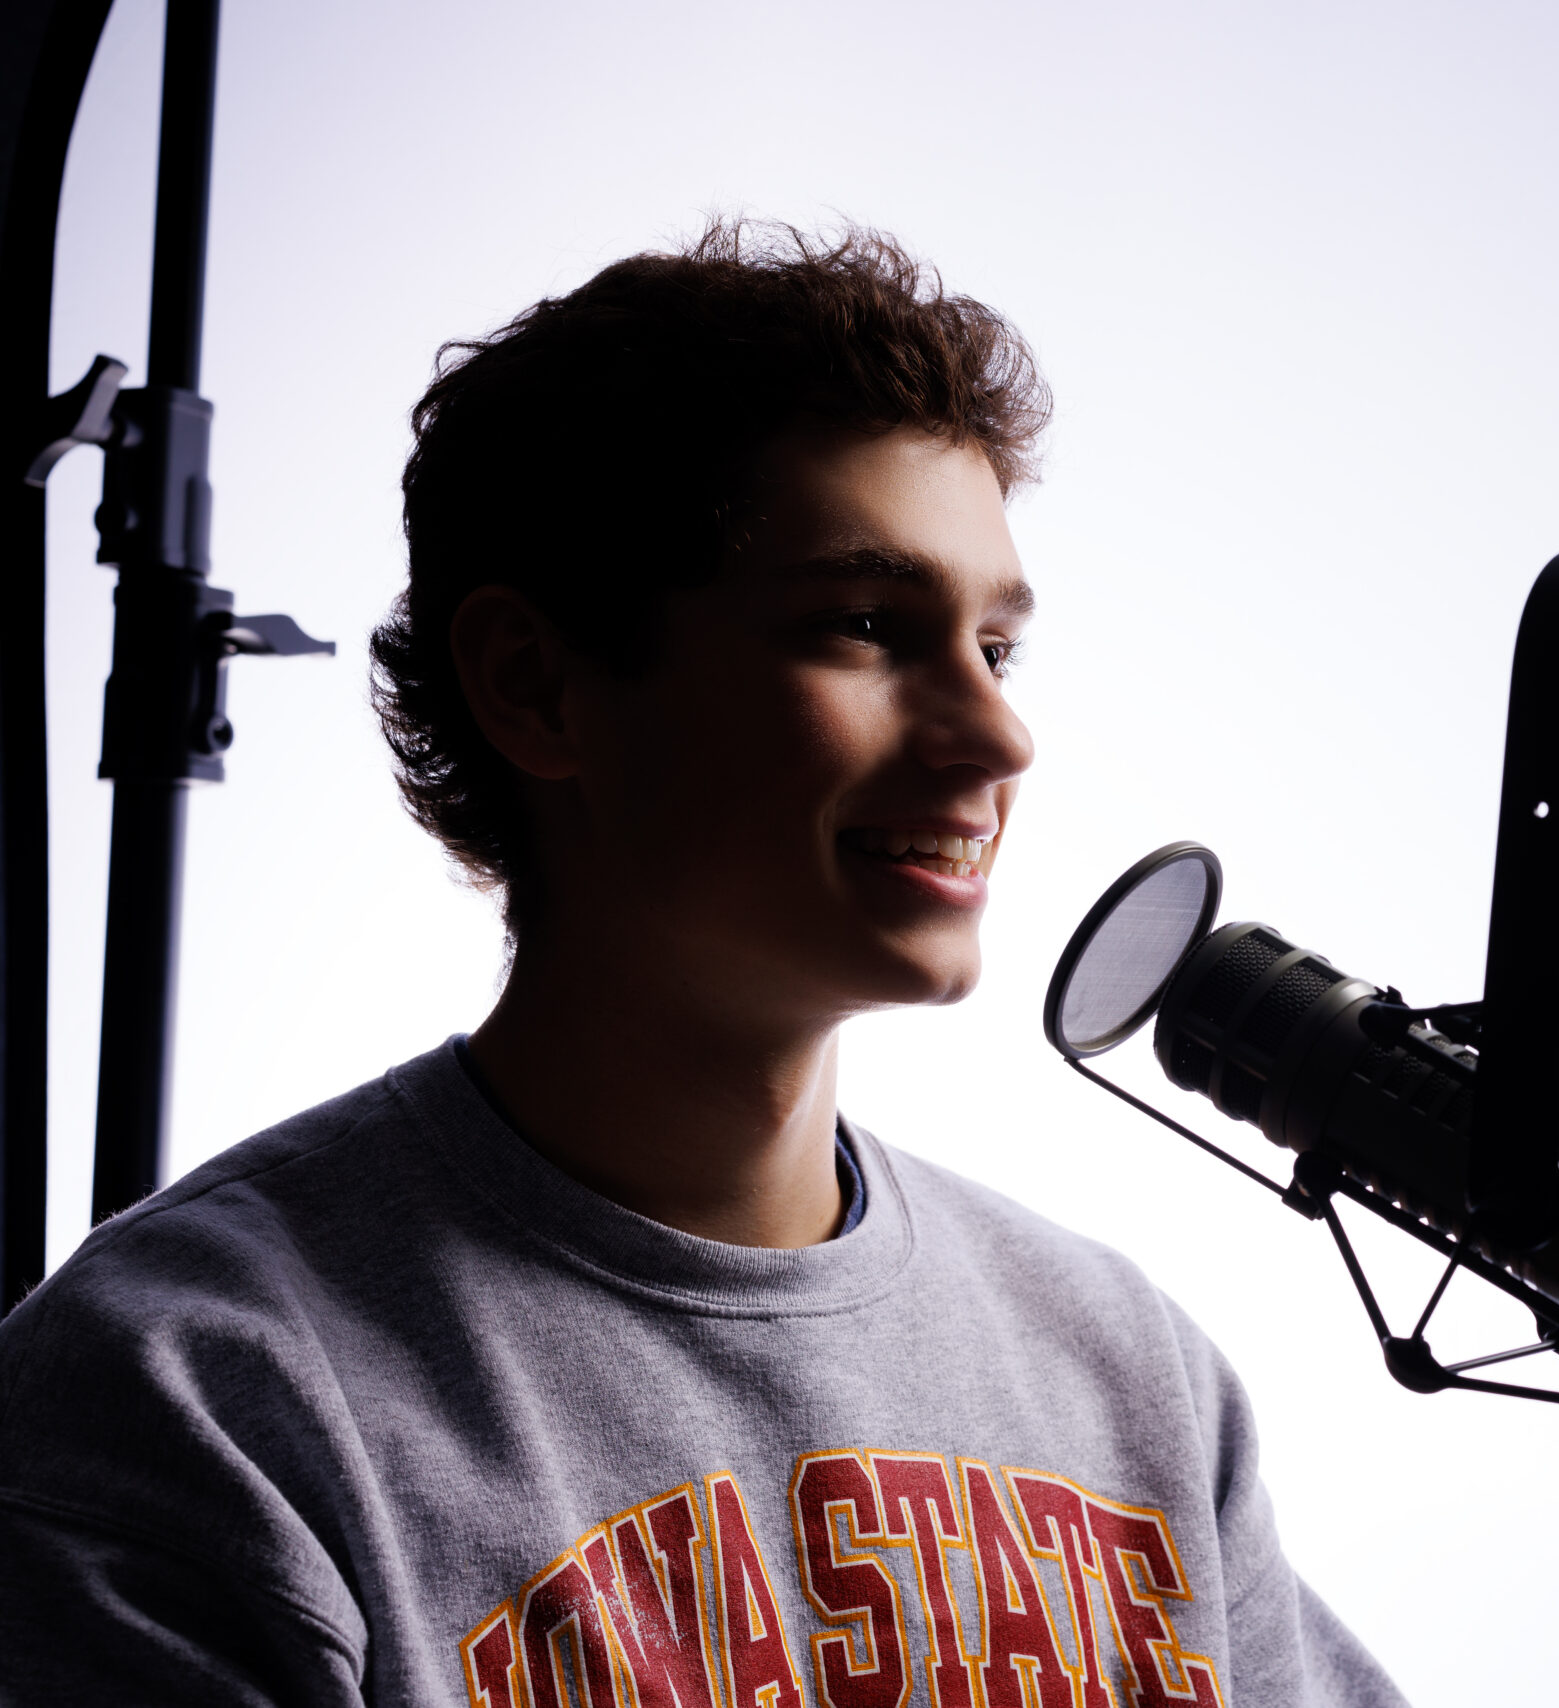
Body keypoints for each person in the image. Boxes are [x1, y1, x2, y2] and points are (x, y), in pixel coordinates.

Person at [0, 222, 1405, 1708]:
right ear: (540, 687)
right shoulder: (192, 1400)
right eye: (867, 626)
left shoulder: (1134, 1384)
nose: (997, 739)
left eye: (997, 648)